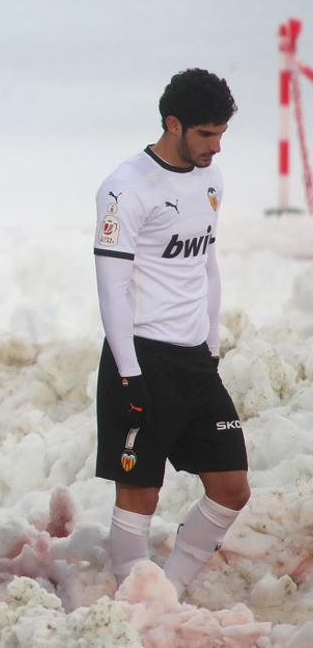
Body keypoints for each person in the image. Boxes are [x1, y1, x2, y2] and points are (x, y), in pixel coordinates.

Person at [92, 68, 248, 594]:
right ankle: (132, 604)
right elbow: (112, 286)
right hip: (142, 357)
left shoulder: (211, 179)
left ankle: (171, 590)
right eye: (206, 134)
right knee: (140, 496)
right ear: (173, 124)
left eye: (222, 134)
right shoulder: (125, 188)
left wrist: (211, 343)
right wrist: (129, 373)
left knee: (232, 487)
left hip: (195, 362)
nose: (216, 147)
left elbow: (206, 263)